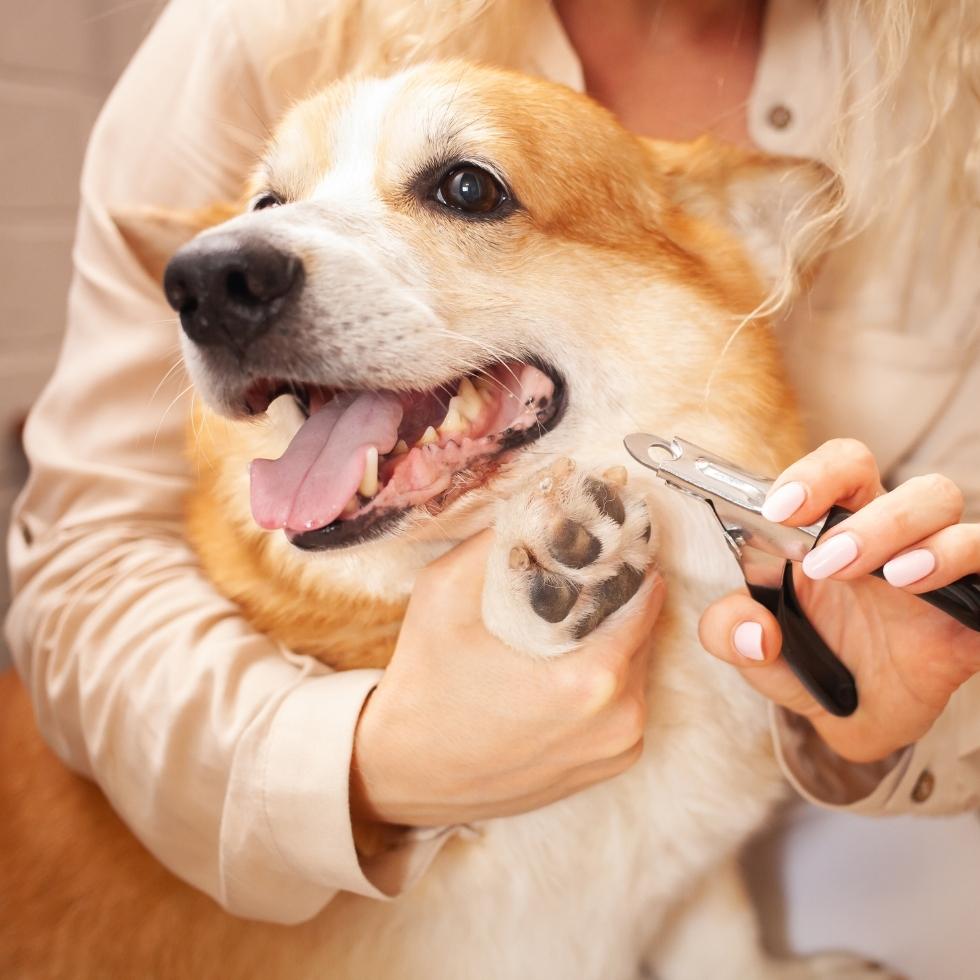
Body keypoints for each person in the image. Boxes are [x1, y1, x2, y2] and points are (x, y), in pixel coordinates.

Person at [5, 0, 979, 954]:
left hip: (816, 784)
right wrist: (370, 761)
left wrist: (897, 710)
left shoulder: (943, 87)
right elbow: (84, 558)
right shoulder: (264, 19)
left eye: (465, 190)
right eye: (272, 205)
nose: (237, 262)